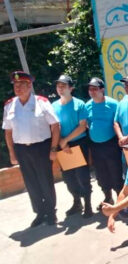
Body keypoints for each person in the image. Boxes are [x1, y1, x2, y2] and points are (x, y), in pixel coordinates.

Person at [3, 71, 60, 227]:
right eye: (15, 85)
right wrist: (12, 152)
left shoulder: (41, 102)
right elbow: (8, 132)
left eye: (21, 84)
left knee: (45, 180)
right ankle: (39, 212)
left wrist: (53, 149)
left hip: (41, 147)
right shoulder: (10, 105)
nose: (18, 87)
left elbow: (55, 126)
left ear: (30, 85)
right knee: (31, 182)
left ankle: (51, 212)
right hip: (22, 149)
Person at [52, 74, 93, 218]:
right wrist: (62, 143)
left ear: (71, 88)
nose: (60, 89)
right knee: (69, 178)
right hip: (62, 145)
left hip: (78, 144)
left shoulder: (79, 104)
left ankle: (88, 204)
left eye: (63, 86)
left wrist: (66, 140)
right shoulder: (54, 106)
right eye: (58, 86)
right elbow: (53, 127)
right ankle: (77, 202)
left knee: (82, 176)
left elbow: (82, 127)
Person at [85, 77, 123, 210]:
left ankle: (120, 198)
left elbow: (118, 123)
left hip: (111, 144)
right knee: (101, 174)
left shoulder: (113, 104)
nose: (92, 91)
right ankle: (107, 197)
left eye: (95, 89)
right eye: (90, 89)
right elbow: (87, 124)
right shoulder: (87, 105)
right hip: (95, 146)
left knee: (115, 171)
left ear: (102, 89)